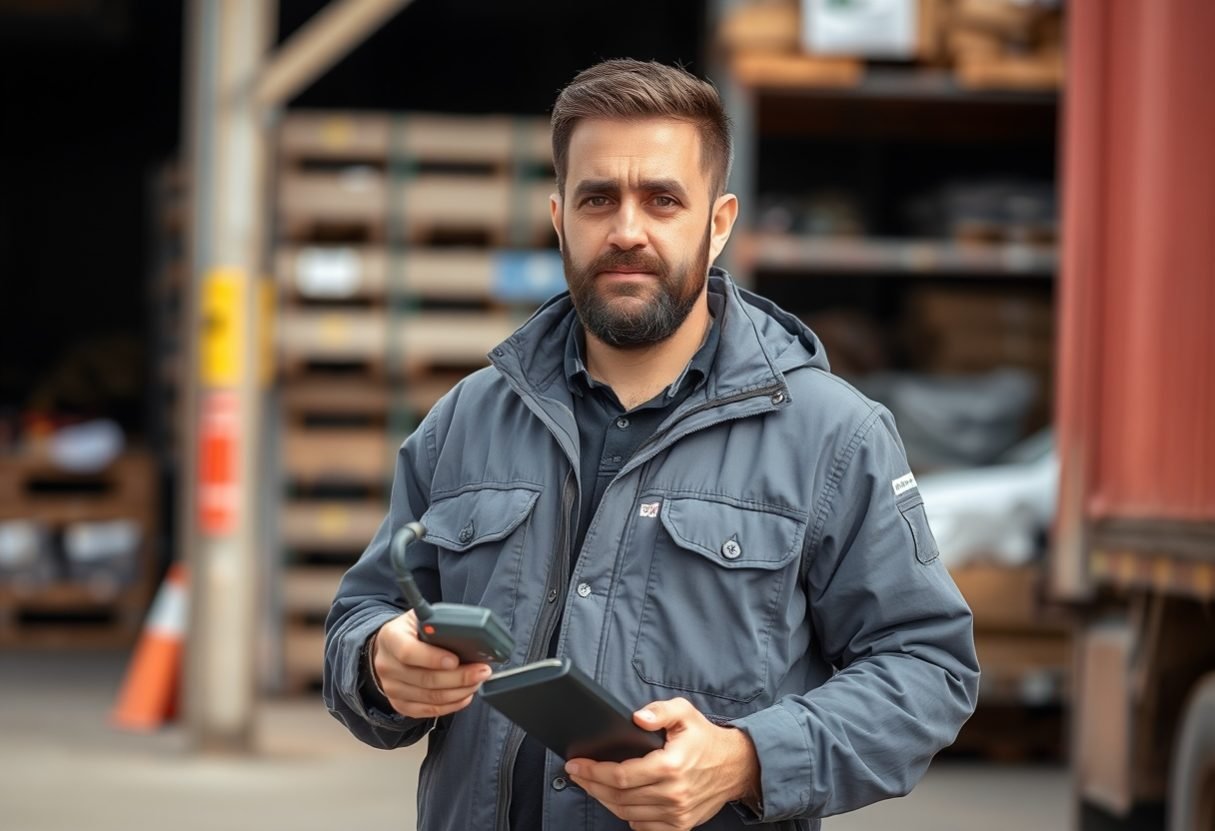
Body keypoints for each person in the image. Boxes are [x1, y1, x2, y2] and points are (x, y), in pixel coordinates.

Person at [324, 59, 979, 831]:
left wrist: (746, 756)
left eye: (662, 199)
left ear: (720, 220)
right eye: (597, 198)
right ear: (559, 216)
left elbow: (926, 668)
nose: (626, 230)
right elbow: (363, 613)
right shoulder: (467, 420)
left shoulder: (832, 436)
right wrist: (377, 660)